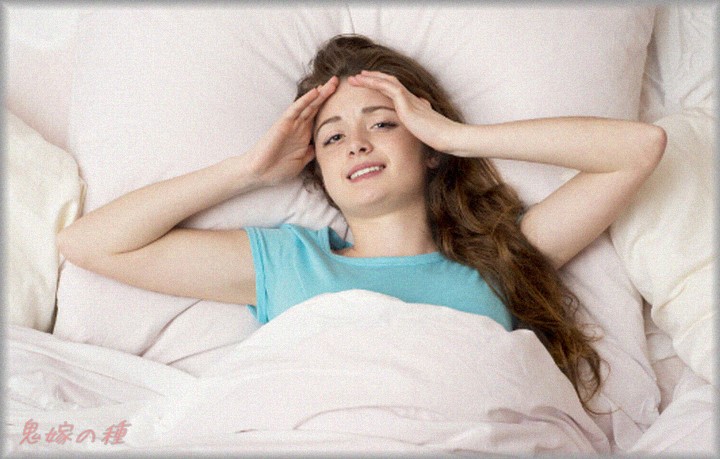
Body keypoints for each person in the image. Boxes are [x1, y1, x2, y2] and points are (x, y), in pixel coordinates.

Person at [57, 34, 666, 411]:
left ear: (427, 147)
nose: (356, 144)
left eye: (382, 123)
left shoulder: (499, 256)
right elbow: (89, 244)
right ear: (317, 172)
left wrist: (457, 136)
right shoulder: (288, 261)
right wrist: (248, 170)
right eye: (332, 136)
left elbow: (638, 149)